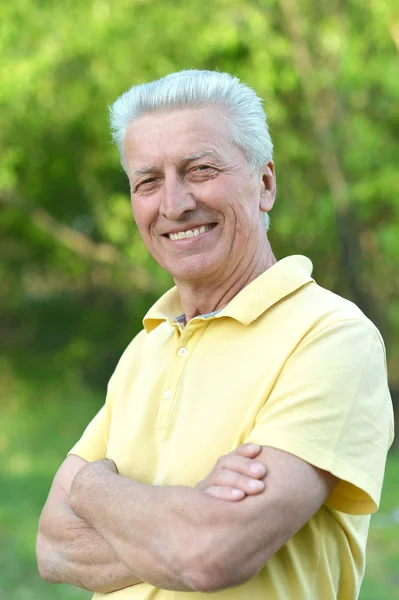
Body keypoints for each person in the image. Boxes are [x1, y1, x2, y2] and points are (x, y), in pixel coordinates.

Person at [36, 70, 394, 600]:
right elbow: (52, 547)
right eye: (147, 181)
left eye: (200, 170)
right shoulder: (147, 345)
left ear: (265, 183)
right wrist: (185, 516)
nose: (174, 203)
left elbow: (211, 554)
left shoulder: (331, 337)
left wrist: (91, 487)